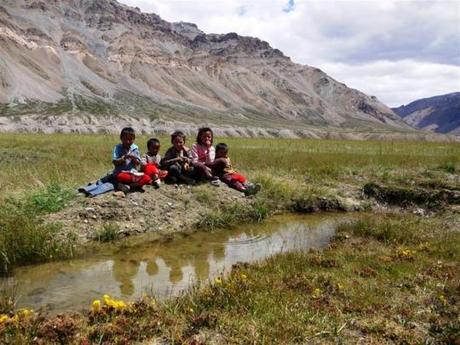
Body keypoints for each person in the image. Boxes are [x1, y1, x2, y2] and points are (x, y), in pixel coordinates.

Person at [112, 127, 151, 192]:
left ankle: (130, 186)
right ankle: (135, 185)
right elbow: (115, 162)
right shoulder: (117, 148)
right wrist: (123, 158)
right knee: (120, 176)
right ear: (121, 138)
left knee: (147, 178)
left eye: (130, 139)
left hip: (133, 173)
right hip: (122, 172)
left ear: (134, 139)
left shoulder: (135, 149)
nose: (128, 141)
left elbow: (138, 163)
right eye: (125, 139)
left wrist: (133, 158)